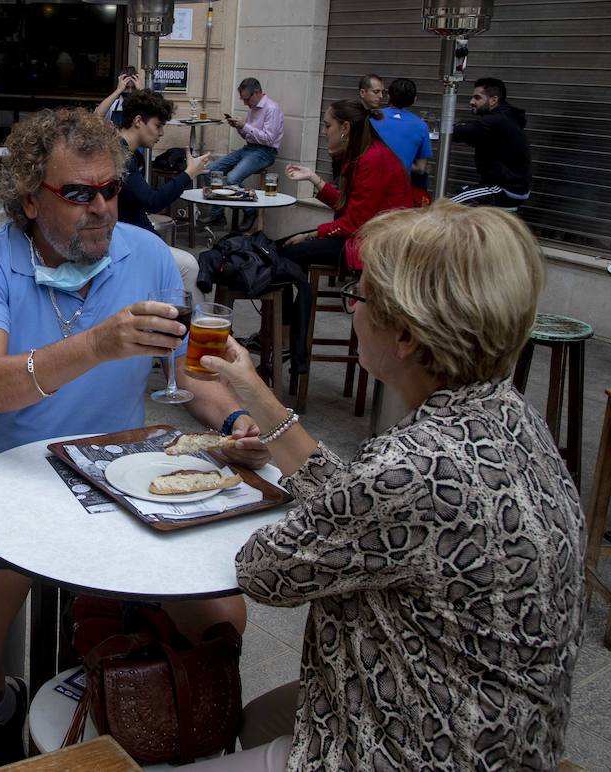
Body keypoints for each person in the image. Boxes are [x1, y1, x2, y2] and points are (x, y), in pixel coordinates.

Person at [0, 107, 270, 768]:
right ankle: (8, 705)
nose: (102, 207)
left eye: (110, 188)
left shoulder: (146, 254)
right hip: (5, 481)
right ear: (29, 197)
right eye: (78, 193)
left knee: (224, 621)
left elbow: (183, 374)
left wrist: (232, 421)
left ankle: (134, 670)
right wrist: (95, 345)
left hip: (118, 477)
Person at [197, 203, 584, 770]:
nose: (351, 308)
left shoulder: (411, 466)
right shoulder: (510, 414)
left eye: (360, 295)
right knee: (257, 720)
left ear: (403, 334)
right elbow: (368, 508)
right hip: (510, 737)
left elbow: (264, 571)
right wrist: (255, 392)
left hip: (420, 749)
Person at [277, 98, 412, 373]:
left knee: (287, 254)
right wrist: (315, 179)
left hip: (375, 246)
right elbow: (348, 206)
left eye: (328, 125)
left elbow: (355, 221)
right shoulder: (363, 156)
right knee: (281, 251)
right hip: (364, 238)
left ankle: (291, 340)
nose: (325, 131)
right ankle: (290, 337)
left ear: (346, 127)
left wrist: (313, 234)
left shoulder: (372, 159)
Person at [115, 89, 210, 303]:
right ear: (138, 121)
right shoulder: (120, 155)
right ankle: (197, 329)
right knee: (189, 266)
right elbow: (152, 201)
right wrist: (188, 174)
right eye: (158, 125)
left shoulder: (124, 151)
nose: (161, 133)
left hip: (130, 238)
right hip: (127, 243)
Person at [199, 78, 283, 228]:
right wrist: (239, 127)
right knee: (210, 171)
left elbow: (269, 139)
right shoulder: (253, 108)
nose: (245, 103)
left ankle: (250, 211)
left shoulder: (272, 109)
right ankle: (218, 215)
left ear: (257, 93)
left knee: (232, 179)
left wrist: (245, 126)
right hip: (249, 148)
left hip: (265, 152)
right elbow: (249, 136)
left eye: (246, 99)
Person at [450, 76, 532, 208]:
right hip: (510, 187)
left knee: (447, 206)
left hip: (505, 189)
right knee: (460, 193)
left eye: (477, 98)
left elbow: (463, 131)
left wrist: (439, 129)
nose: (471, 102)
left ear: (493, 100)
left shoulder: (497, 120)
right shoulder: (506, 117)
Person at [370, 77, 431, 175]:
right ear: (414, 99)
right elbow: (421, 168)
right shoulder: (421, 126)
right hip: (399, 185)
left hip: (369, 179)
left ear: (389, 96)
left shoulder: (372, 116)